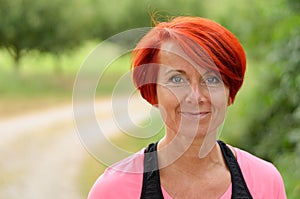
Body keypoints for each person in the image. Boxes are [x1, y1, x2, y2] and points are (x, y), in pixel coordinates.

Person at [88, 16, 287, 199]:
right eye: (176, 79)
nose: (196, 96)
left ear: (229, 92)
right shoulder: (113, 189)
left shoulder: (265, 182)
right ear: (153, 91)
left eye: (211, 79)